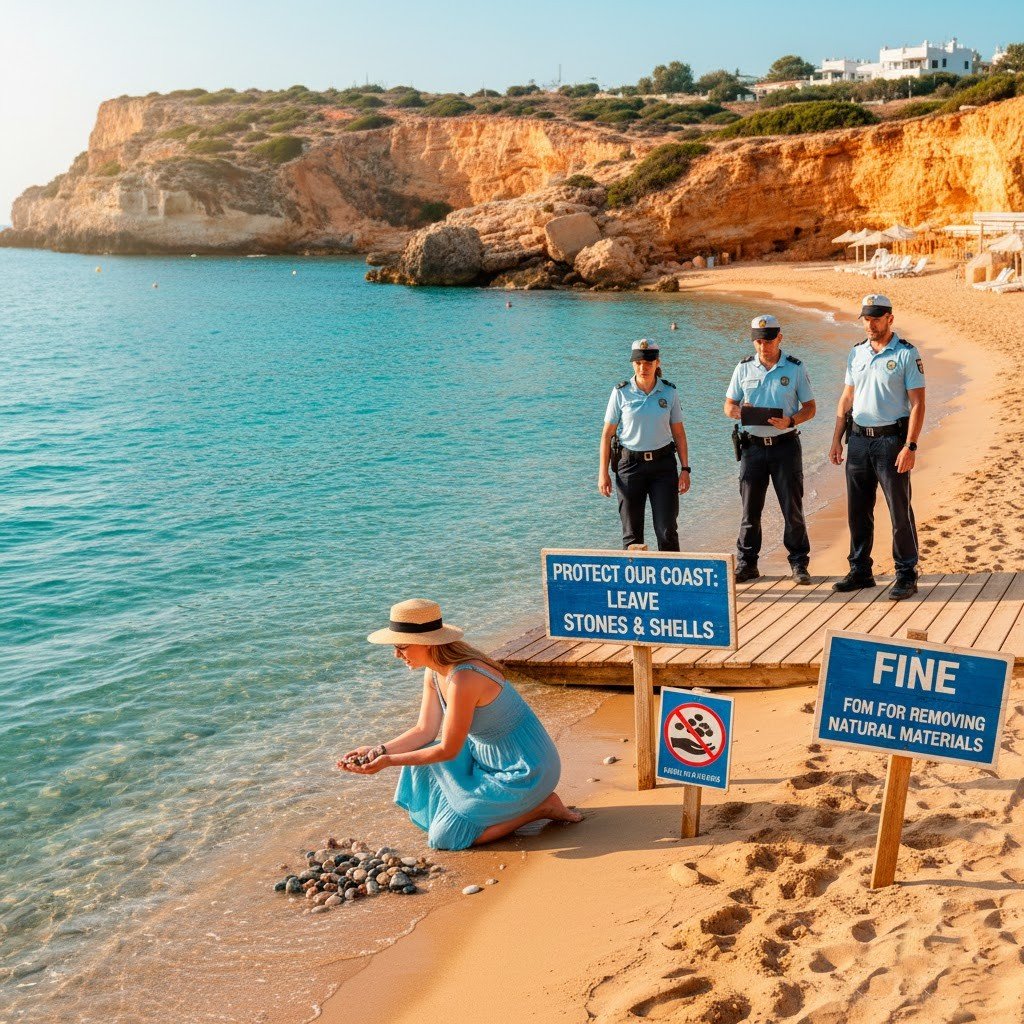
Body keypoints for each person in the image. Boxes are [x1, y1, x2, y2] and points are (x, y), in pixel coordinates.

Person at [338, 599, 581, 850]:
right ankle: (475, 812)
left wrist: (388, 762)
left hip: (524, 769)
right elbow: (424, 730)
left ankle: (542, 807)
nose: (396, 654)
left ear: (427, 643)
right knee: (418, 766)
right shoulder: (434, 671)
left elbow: (448, 750)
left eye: (401, 646)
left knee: (444, 838)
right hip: (485, 759)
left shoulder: (464, 678)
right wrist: (378, 750)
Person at [829, 294, 925, 601]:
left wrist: (910, 446)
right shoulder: (856, 353)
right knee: (858, 510)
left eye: (875, 319)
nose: (870, 325)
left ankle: (907, 574)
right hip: (857, 441)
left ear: (889, 319)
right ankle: (860, 571)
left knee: (899, 510)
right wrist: (836, 438)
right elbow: (846, 398)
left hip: (890, 443)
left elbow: (918, 403)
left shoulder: (907, 354)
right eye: (866, 319)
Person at [724, 314, 816, 584]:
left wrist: (791, 420)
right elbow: (728, 405)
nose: (763, 345)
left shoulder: (795, 368)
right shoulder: (742, 368)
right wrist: (740, 412)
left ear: (780, 338)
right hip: (752, 449)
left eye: (768, 340)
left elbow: (810, 408)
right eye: (758, 341)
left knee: (793, 509)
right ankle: (747, 564)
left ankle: (799, 563)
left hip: (785, 447)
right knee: (750, 510)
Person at [598, 339, 691, 551]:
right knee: (632, 535)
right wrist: (602, 473)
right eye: (639, 363)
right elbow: (607, 436)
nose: (643, 367)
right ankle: (636, 584)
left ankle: (670, 583)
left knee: (667, 529)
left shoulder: (669, 392)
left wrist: (685, 469)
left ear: (657, 363)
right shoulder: (620, 392)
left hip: (663, 467)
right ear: (633, 364)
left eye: (649, 363)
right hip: (630, 468)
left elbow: (679, 433)